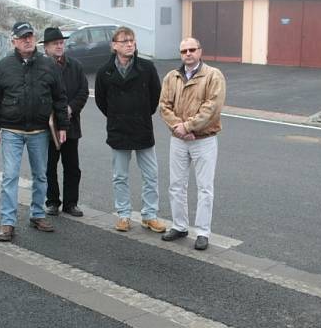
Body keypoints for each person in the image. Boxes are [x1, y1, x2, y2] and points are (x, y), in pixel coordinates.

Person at [0, 21, 69, 242]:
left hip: (39, 131)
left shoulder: (48, 65)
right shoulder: (3, 66)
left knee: (40, 175)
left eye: (30, 36)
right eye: (23, 37)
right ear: (14, 41)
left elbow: (60, 98)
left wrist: (62, 126)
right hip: (11, 130)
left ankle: (37, 214)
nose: (28, 40)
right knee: (10, 176)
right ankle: (7, 222)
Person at [94, 26, 166, 233]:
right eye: (124, 41)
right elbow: (101, 101)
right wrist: (117, 115)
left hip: (142, 127)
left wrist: (141, 113)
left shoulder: (147, 68)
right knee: (120, 176)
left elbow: (155, 97)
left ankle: (149, 215)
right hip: (118, 129)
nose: (129, 44)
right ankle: (124, 215)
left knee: (151, 175)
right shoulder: (104, 72)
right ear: (114, 45)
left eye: (132, 40)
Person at [159, 37, 226, 251]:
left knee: (205, 188)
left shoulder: (213, 76)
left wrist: (188, 127)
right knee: (176, 185)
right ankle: (179, 226)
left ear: (200, 51)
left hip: (203, 140)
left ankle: (203, 232)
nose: (188, 53)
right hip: (178, 140)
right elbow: (164, 106)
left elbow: (212, 107)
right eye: (184, 51)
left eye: (192, 50)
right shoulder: (172, 77)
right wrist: (179, 127)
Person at [41, 27, 89, 218]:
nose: (60, 46)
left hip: (71, 123)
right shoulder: (41, 66)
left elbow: (83, 91)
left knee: (72, 166)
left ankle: (71, 203)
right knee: (49, 166)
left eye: (61, 43)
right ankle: (52, 201)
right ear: (46, 47)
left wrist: (70, 109)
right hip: (48, 125)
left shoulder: (75, 66)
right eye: (55, 44)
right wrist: (53, 112)